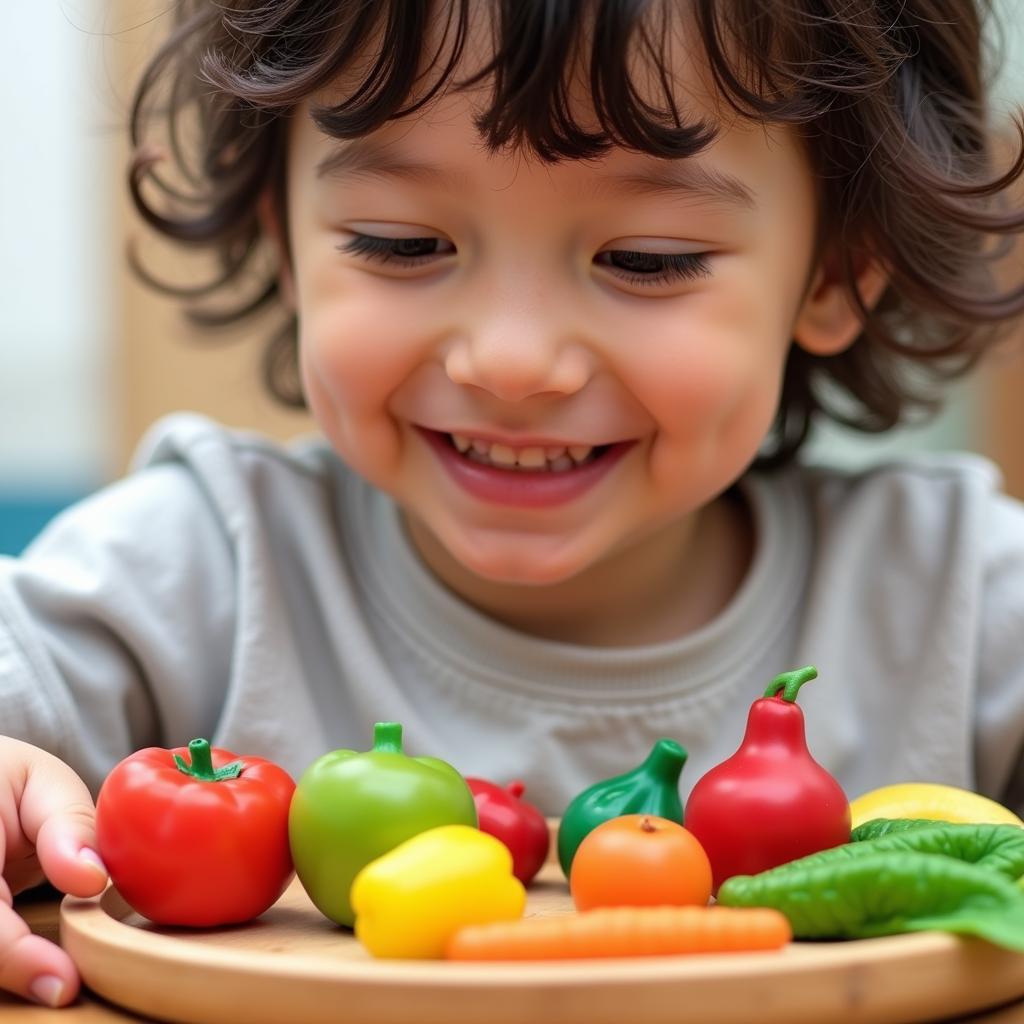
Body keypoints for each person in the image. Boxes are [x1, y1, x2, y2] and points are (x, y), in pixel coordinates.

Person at [2, 0, 1023, 1008]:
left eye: (645, 260)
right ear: (285, 240)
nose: (511, 360)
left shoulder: (960, 599)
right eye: (401, 243)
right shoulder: (196, 565)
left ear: (836, 273)